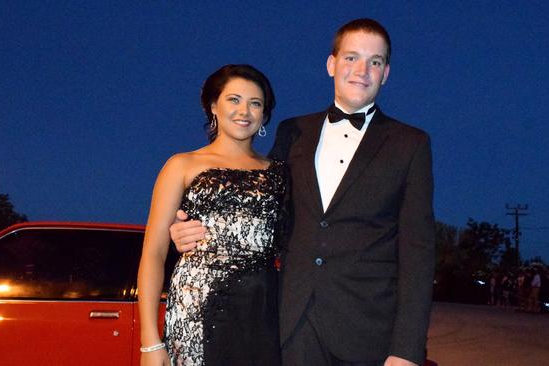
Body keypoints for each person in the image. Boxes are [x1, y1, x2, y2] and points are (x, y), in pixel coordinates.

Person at [171, 18, 435, 366]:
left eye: (375, 61)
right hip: (293, 328)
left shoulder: (411, 144)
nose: (362, 70)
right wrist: (194, 230)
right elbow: (261, 210)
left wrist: (406, 350)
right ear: (331, 64)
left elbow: (418, 254)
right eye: (351, 58)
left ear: (386, 72)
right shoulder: (293, 131)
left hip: (369, 334)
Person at [137, 64, 285, 366]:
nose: (244, 111)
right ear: (213, 105)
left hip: (263, 309)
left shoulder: (280, 173)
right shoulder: (182, 165)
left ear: (264, 115)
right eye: (234, 99)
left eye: (255, 103)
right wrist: (150, 343)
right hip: (197, 306)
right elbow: (153, 252)